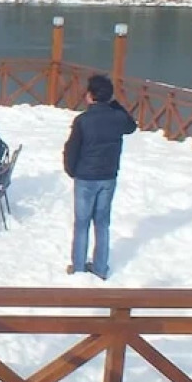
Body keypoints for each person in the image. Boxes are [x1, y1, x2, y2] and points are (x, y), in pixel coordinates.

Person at [63, 73, 137, 280]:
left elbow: (72, 148)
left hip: (85, 177)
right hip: (108, 176)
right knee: (102, 222)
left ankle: (78, 266)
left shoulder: (83, 120)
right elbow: (132, 126)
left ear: (90, 96)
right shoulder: (117, 117)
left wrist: (71, 170)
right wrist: (115, 105)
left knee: (82, 223)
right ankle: (101, 268)